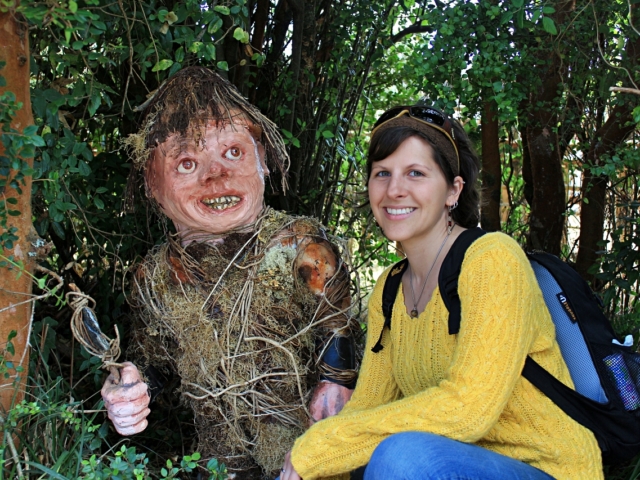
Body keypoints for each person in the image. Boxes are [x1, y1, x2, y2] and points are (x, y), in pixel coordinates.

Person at [279, 105, 604, 479]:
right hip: (449, 464)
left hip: (546, 468)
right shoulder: (390, 288)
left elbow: (468, 409)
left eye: (415, 173)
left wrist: (319, 448)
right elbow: (366, 410)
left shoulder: (492, 260)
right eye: (382, 173)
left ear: (453, 190)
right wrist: (314, 467)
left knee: (401, 457)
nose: (394, 189)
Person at [100, 67, 358, 478]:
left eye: (234, 152)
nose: (215, 174)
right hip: (219, 462)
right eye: (186, 162)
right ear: (151, 181)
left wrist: (335, 381)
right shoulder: (155, 278)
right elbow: (156, 360)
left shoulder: (298, 246)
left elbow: (339, 323)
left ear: (264, 160)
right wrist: (132, 386)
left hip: (306, 454)